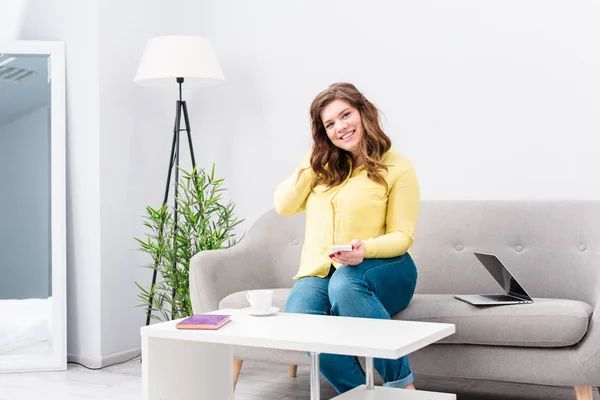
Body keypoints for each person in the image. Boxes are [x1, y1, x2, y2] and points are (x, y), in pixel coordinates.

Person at [273, 82, 420, 394]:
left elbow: (402, 236)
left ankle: (403, 387)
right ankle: (358, 393)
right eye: (329, 124)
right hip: (322, 271)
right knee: (299, 313)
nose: (340, 127)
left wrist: (365, 249)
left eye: (345, 115)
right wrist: (313, 162)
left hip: (384, 268)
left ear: (362, 112)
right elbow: (284, 205)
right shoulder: (320, 167)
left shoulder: (398, 166)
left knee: (345, 283)